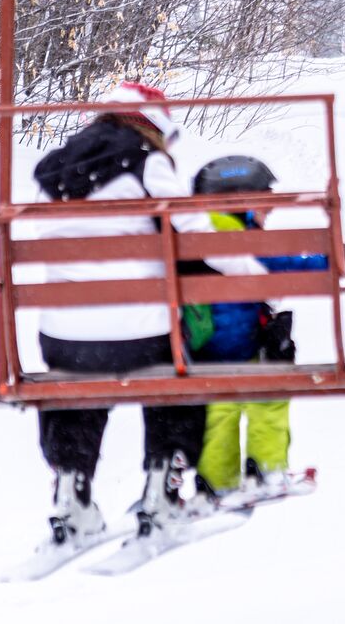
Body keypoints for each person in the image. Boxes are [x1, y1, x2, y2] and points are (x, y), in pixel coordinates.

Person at [29, 81, 272, 550]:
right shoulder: (146, 161)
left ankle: (72, 494)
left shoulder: (55, 167)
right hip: (140, 338)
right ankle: (164, 488)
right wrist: (258, 276)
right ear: (153, 126)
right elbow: (197, 235)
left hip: (60, 337)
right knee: (180, 368)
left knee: (76, 378)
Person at [184, 155, 345, 494]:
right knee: (269, 395)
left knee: (219, 407)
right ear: (240, 198)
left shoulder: (194, 229)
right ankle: (265, 469)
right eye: (265, 200)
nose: (271, 210)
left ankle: (217, 480)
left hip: (201, 349)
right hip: (246, 344)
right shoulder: (238, 235)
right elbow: (292, 263)